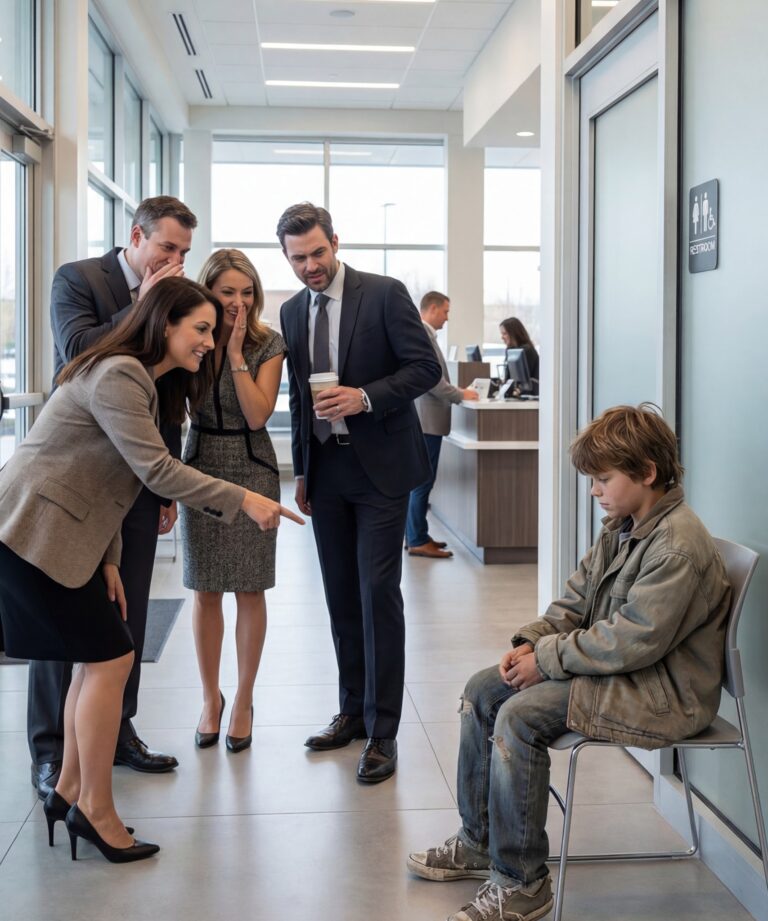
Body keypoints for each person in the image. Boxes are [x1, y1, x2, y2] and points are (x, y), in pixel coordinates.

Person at [0, 277, 302, 863]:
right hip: (34, 535)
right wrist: (245, 498)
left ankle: (68, 792)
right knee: (110, 658)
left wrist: (108, 560)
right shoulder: (120, 374)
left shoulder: (141, 379)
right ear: (165, 324)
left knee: (100, 659)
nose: (211, 343)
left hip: (64, 536)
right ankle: (95, 808)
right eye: (202, 329)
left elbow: (112, 475)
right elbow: (157, 472)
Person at [407, 403, 731, 921]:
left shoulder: (677, 547)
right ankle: (480, 842)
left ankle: (522, 883)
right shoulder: (622, 526)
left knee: (519, 716)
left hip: (662, 694)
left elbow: (633, 641)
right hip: (627, 676)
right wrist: (530, 641)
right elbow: (575, 602)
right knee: (484, 689)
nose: (595, 490)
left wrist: (548, 659)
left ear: (647, 473)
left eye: (603, 478)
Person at [29, 196, 197, 799]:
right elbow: (82, 352)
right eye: (167, 247)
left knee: (129, 616)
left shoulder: (170, 293)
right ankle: (52, 753)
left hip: (138, 482)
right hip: (76, 484)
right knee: (64, 620)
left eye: (183, 251)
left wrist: (165, 480)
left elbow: (169, 390)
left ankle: (119, 732)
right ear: (136, 236)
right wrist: (148, 302)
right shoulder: (78, 279)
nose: (175, 260)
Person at [277, 202, 441, 783]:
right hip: (326, 471)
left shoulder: (384, 293)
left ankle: (383, 731)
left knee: (377, 592)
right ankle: (350, 710)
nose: (311, 266)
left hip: (382, 469)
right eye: (298, 258)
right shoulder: (292, 311)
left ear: (335, 242)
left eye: (318, 253)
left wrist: (364, 397)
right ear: (287, 258)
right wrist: (300, 469)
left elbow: (425, 368)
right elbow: (298, 399)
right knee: (341, 596)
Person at [179, 250, 284, 753]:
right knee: (204, 588)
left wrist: (238, 353)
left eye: (247, 293)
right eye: (227, 293)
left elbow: (259, 414)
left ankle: (242, 699)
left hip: (253, 467)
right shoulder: (191, 339)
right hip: (198, 466)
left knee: (249, 588)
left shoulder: (268, 344)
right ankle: (209, 698)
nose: (238, 302)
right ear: (209, 293)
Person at [406, 291, 478, 559]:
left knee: (419, 481)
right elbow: (430, 380)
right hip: (427, 421)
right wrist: (459, 394)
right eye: (446, 311)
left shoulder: (424, 335)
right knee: (422, 482)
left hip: (427, 420)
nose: (447, 317)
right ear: (432, 308)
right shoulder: (423, 334)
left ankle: (418, 535)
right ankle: (416, 539)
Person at [499, 316, 539, 390]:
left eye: (504, 334)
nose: (502, 337)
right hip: (519, 395)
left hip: (529, 396)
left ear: (514, 334)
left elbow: (522, 381)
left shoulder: (527, 351)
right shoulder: (512, 351)